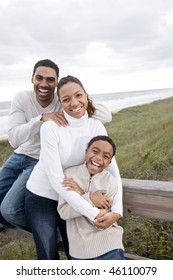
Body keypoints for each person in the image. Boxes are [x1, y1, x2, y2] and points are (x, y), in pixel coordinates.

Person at [0, 59, 112, 236]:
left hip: (39, 161)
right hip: (19, 155)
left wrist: (80, 96)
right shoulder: (22, 98)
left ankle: (50, 231)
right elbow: (14, 139)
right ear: (32, 79)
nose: (44, 84)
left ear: (57, 82)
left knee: (9, 209)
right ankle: (30, 226)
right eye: (39, 78)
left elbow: (106, 116)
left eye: (50, 80)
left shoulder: (63, 101)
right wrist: (42, 118)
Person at [25, 75, 123, 260]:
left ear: (86, 95)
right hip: (43, 195)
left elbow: (113, 169)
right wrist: (94, 212)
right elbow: (55, 179)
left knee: (74, 251)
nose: (74, 102)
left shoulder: (96, 125)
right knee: (48, 253)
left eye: (79, 95)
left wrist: (117, 210)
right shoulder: (51, 128)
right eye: (66, 99)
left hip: (73, 196)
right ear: (60, 103)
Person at [58, 135, 124, 260]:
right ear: (86, 152)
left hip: (110, 244)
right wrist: (91, 198)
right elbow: (64, 212)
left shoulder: (111, 182)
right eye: (95, 151)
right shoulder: (69, 175)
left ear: (109, 162)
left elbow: (103, 217)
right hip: (79, 249)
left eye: (106, 156)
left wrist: (81, 194)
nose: (99, 158)